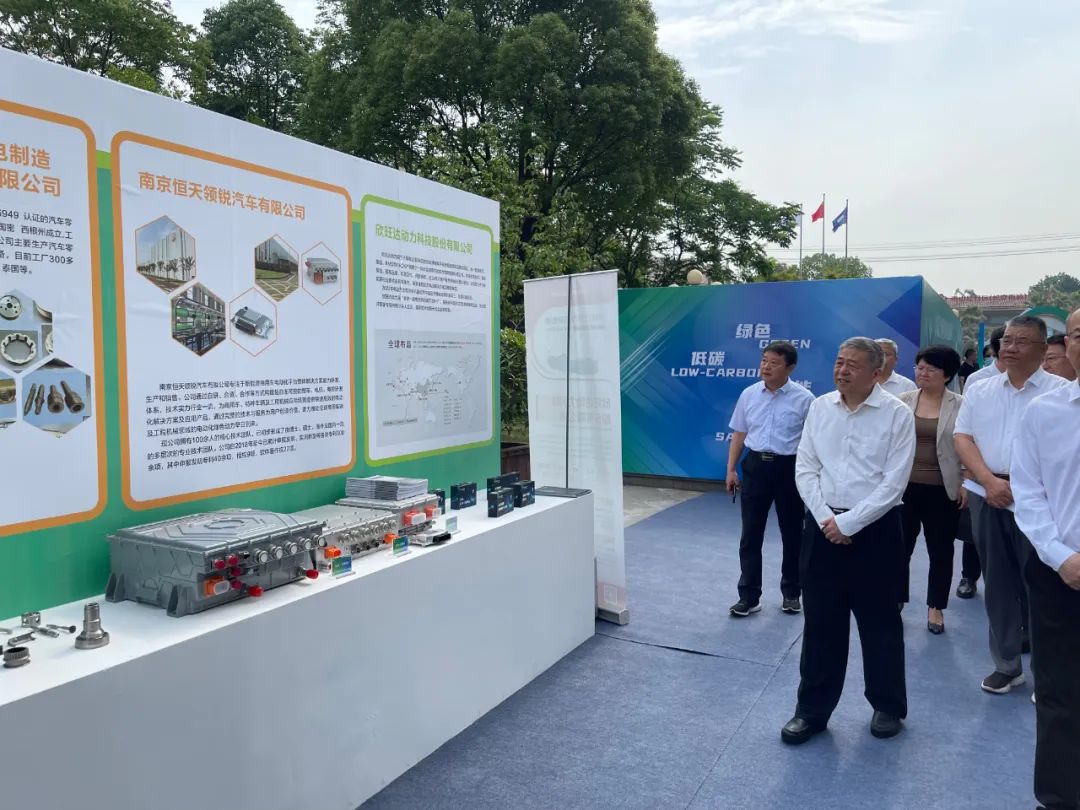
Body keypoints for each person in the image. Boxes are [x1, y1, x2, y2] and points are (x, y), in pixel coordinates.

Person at [781, 337, 915, 744]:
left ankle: (887, 705)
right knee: (821, 623)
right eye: (839, 362)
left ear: (876, 372)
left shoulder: (897, 414)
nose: (842, 370)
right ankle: (812, 710)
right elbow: (806, 467)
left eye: (852, 365)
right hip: (823, 527)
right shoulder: (820, 407)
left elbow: (894, 483)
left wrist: (851, 523)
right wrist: (827, 518)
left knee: (880, 623)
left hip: (876, 530)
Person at [953, 315, 1070, 695]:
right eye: (1007, 341)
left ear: (1043, 349)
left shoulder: (1060, 393)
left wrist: (1024, 489)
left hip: (1042, 502)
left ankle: (1047, 673)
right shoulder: (981, 389)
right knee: (998, 583)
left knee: (1042, 585)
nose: (1010, 348)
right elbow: (963, 437)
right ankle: (1006, 665)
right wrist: (988, 481)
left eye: (1022, 341)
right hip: (988, 494)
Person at [1012, 307, 1080, 810]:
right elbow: (1029, 491)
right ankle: (1058, 796)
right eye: (1079, 334)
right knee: (1058, 692)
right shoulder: (1045, 412)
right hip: (1059, 573)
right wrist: (1060, 556)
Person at [726, 341, 814, 617]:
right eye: (764, 360)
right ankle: (749, 596)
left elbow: (813, 442)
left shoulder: (805, 399)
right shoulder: (749, 394)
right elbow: (739, 433)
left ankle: (792, 593)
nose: (766, 366)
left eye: (774, 363)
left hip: (790, 469)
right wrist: (731, 469)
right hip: (755, 467)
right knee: (750, 535)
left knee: (793, 534)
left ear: (790, 367)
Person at [897, 346, 965, 634]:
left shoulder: (960, 405)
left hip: (943, 489)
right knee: (900, 548)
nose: (922, 374)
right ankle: (896, 598)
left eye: (930, 369)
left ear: (946, 375)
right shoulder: (903, 401)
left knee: (941, 551)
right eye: (919, 368)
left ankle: (936, 607)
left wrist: (967, 480)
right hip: (904, 489)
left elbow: (971, 443)